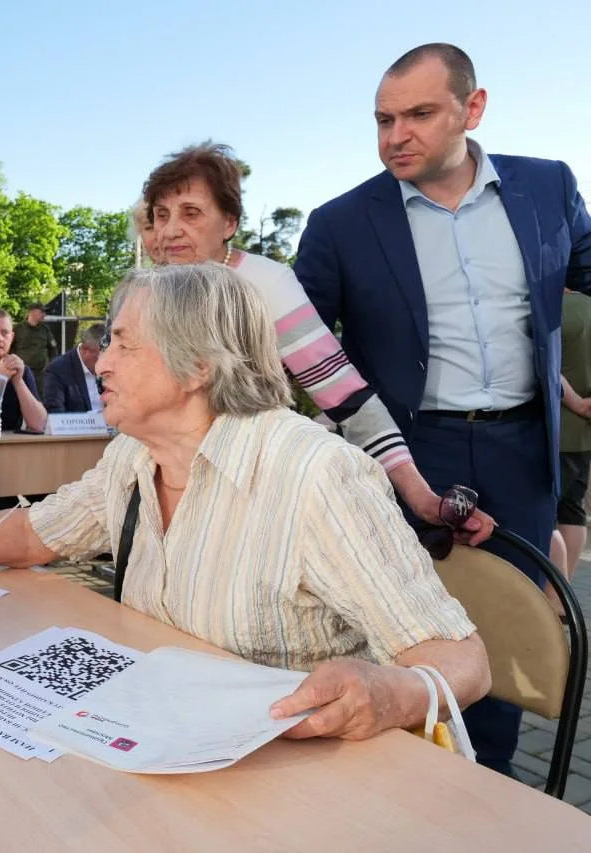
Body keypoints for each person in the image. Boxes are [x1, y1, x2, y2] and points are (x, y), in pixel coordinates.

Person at [0, 264, 491, 742]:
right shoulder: (135, 455)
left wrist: (393, 694)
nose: (100, 362)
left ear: (197, 366)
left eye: (123, 343)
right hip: (166, 742)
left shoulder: (313, 474)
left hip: (289, 774)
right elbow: (34, 533)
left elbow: (462, 661)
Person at [293, 43, 591, 776]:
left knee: (499, 641)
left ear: (472, 108)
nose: (397, 135)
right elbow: (288, 342)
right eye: (384, 119)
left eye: (420, 114)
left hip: (522, 453)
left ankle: (487, 788)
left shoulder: (547, 187)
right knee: (401, 636)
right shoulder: (340, 223)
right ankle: (401, 789)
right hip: (404, 455)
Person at [141, 142, 493, 546]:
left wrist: (419, 496)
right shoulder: (145, 292)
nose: (170, 229)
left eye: (191, 213)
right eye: (161, 215)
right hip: (155, 478)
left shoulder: (266, 285)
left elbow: (347, 396)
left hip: (238, 492)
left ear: (229, 223)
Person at [0, 308, 48, 511]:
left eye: (4, 333)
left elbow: (39, 423)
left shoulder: (22, 371)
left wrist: (18, 381)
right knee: (2, 505)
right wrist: (0, 378)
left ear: (12, 337)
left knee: (50, 497)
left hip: (17, 460)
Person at [554, 290, 591, 601]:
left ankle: (557, 597)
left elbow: (548, 366)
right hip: (583, 433)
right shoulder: (586, 307)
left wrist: (576, 402)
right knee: (572, 511)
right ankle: (566, 596)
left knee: (546, 513)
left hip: (556, 427)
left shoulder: (552, 307)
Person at [43, 323, 107, 414]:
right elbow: (55, 414)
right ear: (85, 350)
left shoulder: (113, 368)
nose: (107, 363)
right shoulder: (57, 370)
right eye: (101, 358)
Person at [11, 302, 58, 392]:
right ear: (32, 312)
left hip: (41, 375)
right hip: (21, 374)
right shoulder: (18, 329)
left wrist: (50, 366)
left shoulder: (45, 330)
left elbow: (53, 349)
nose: (44, 315)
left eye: (45, 312)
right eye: (42, 312)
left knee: (40, 397)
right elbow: (8, 349)